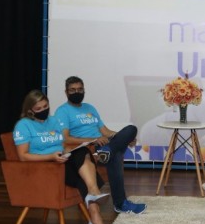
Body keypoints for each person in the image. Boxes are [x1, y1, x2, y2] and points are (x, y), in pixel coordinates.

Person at [13, 89, 115, 224]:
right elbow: (23, 156)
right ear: (30, 110)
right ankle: (96, 215)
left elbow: (62, 145)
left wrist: (68, 151)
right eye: (38, 109)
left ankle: (94, 201)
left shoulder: (53, 121)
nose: (43, 110)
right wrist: (51, 156)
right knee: (84, 175)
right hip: (44, 167)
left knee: (82, 153)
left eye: (46, 106)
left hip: (61, 161)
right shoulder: (23, 125)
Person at [54, 76, 147, 214]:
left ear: (84, 90)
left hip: (103, 145)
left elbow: (106, 132)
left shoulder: (90, 107)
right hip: (87, 148)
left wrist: (124, 139)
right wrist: (94, 140)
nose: (77, 92)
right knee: (116, 155)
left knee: (131, 130)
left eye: (80, 89)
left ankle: (107, 151)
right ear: (66, 92)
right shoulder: (62, 111)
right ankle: (120, 203)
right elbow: (65, 138)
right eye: (72, 90)